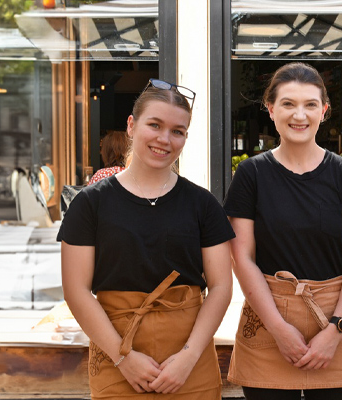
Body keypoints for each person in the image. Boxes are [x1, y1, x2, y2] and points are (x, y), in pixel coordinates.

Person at [58, 79, 235, 399]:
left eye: (177, 131)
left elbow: (221, 287)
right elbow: (76, 290)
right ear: (131, 125)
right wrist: (123, 358)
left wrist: (188, 358)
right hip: (117, 357)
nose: (164, 139)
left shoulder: (203, 204)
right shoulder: (89, 204)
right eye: (155, 124)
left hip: (189, 363)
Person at [223, 62, 342, 400]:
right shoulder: (250, 175)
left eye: (310, 105)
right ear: (271, 108)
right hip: (267, 318)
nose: (299, 115)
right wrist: (278, 328)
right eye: (289, 104)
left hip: (337, 316)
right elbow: (242, 258)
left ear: (324, 110)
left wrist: (335, 331)